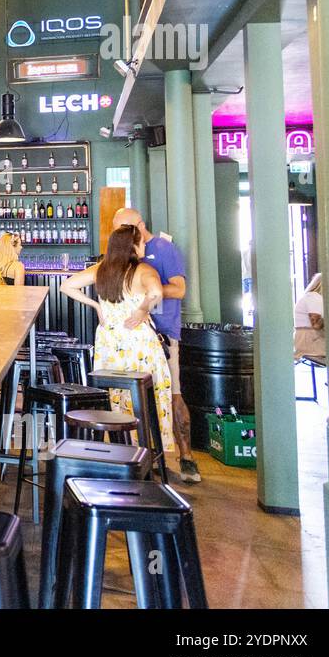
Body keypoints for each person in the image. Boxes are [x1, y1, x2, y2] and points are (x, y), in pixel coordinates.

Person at [62, 224, 175, 457]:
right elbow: (156, 293)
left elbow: (67, 285)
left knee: (116, 396)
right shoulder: (144, 270)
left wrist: (96, 306)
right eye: (141, 242)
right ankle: (145, 451)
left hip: (109, 343)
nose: (144, 245)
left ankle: (119, 449)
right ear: (131, 246)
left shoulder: (101, 269)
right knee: (146, 397)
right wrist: (143, 309)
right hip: (138, 343)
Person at [112, 207, 200, 483]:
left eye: (122, 228)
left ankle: (186, 458)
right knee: (141, 399)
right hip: (135, 338)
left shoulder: (162, 249)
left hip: (163, 333)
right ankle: (143, 458)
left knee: (173, 394)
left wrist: (149, 292)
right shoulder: (129, 252)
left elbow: (180, 288)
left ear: (138, 226)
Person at [294, 273, 326, 363]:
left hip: (306, 343)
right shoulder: (314, 297)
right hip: (313, 345)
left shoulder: (309, 297)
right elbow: (316, 325)